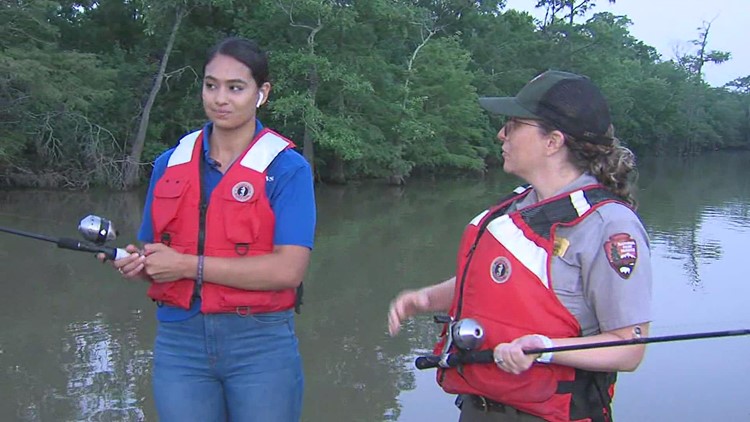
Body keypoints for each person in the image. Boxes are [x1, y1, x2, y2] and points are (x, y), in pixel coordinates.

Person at [387, 70, 652, 422]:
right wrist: (426, 299)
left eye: (513, 124)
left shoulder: (609, 226)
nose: (501, 134)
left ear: (552, 141)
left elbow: (627, 346)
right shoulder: (519, 206)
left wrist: (546, 349)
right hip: (478, 407)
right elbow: (499, 284)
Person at [104, 37, 316, 422]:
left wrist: (186, 266)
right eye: (210, 84)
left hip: (260, 343)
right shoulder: (169, 163)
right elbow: (157, 255)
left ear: (261, 93)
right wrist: (138, 264)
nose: (220, 98)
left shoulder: (289, 169)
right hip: (179, 342)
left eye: (236, 88)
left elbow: (289, 271)